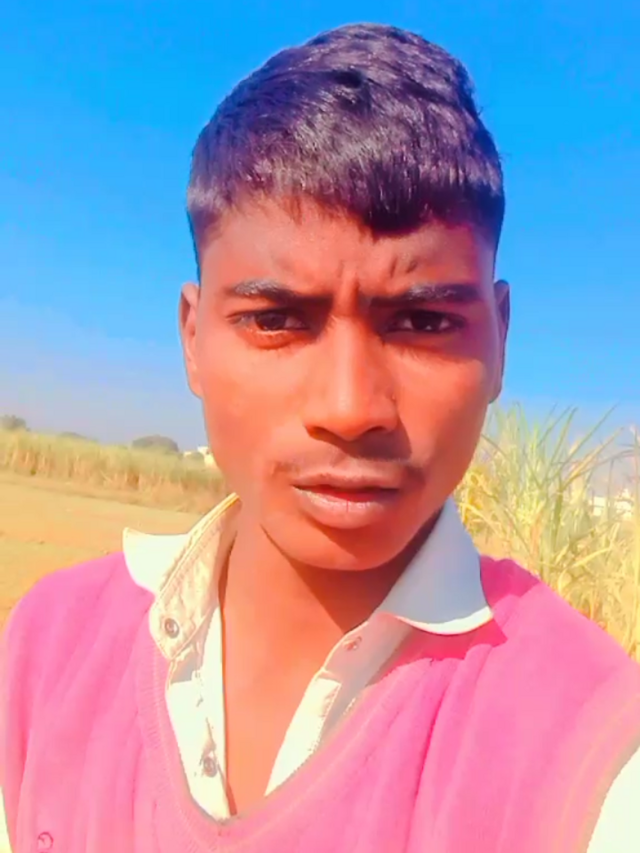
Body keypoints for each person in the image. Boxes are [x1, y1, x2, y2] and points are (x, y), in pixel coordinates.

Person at [1, 22, 639, 853]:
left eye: (422, 321)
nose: (349, 406)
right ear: (193, 338)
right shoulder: (46, 652)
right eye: (275, 319)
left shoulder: (591, 757)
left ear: (500, 339)